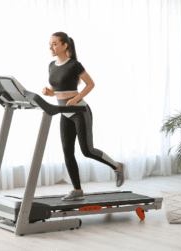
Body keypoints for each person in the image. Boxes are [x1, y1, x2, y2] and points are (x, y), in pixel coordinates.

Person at [43, 32, 125, 201]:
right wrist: (48, 92)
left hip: (79, 112)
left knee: (87, 150)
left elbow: (90, 84)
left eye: (54, 44)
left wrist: (76, 98)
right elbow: (55, 91)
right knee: (67, 152)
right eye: (50, 44)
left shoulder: (74, 65)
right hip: (64, 113)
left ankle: (117, 166)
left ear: (65, 45)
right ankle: (77, 191)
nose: (51, 47)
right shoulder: (51, 65)